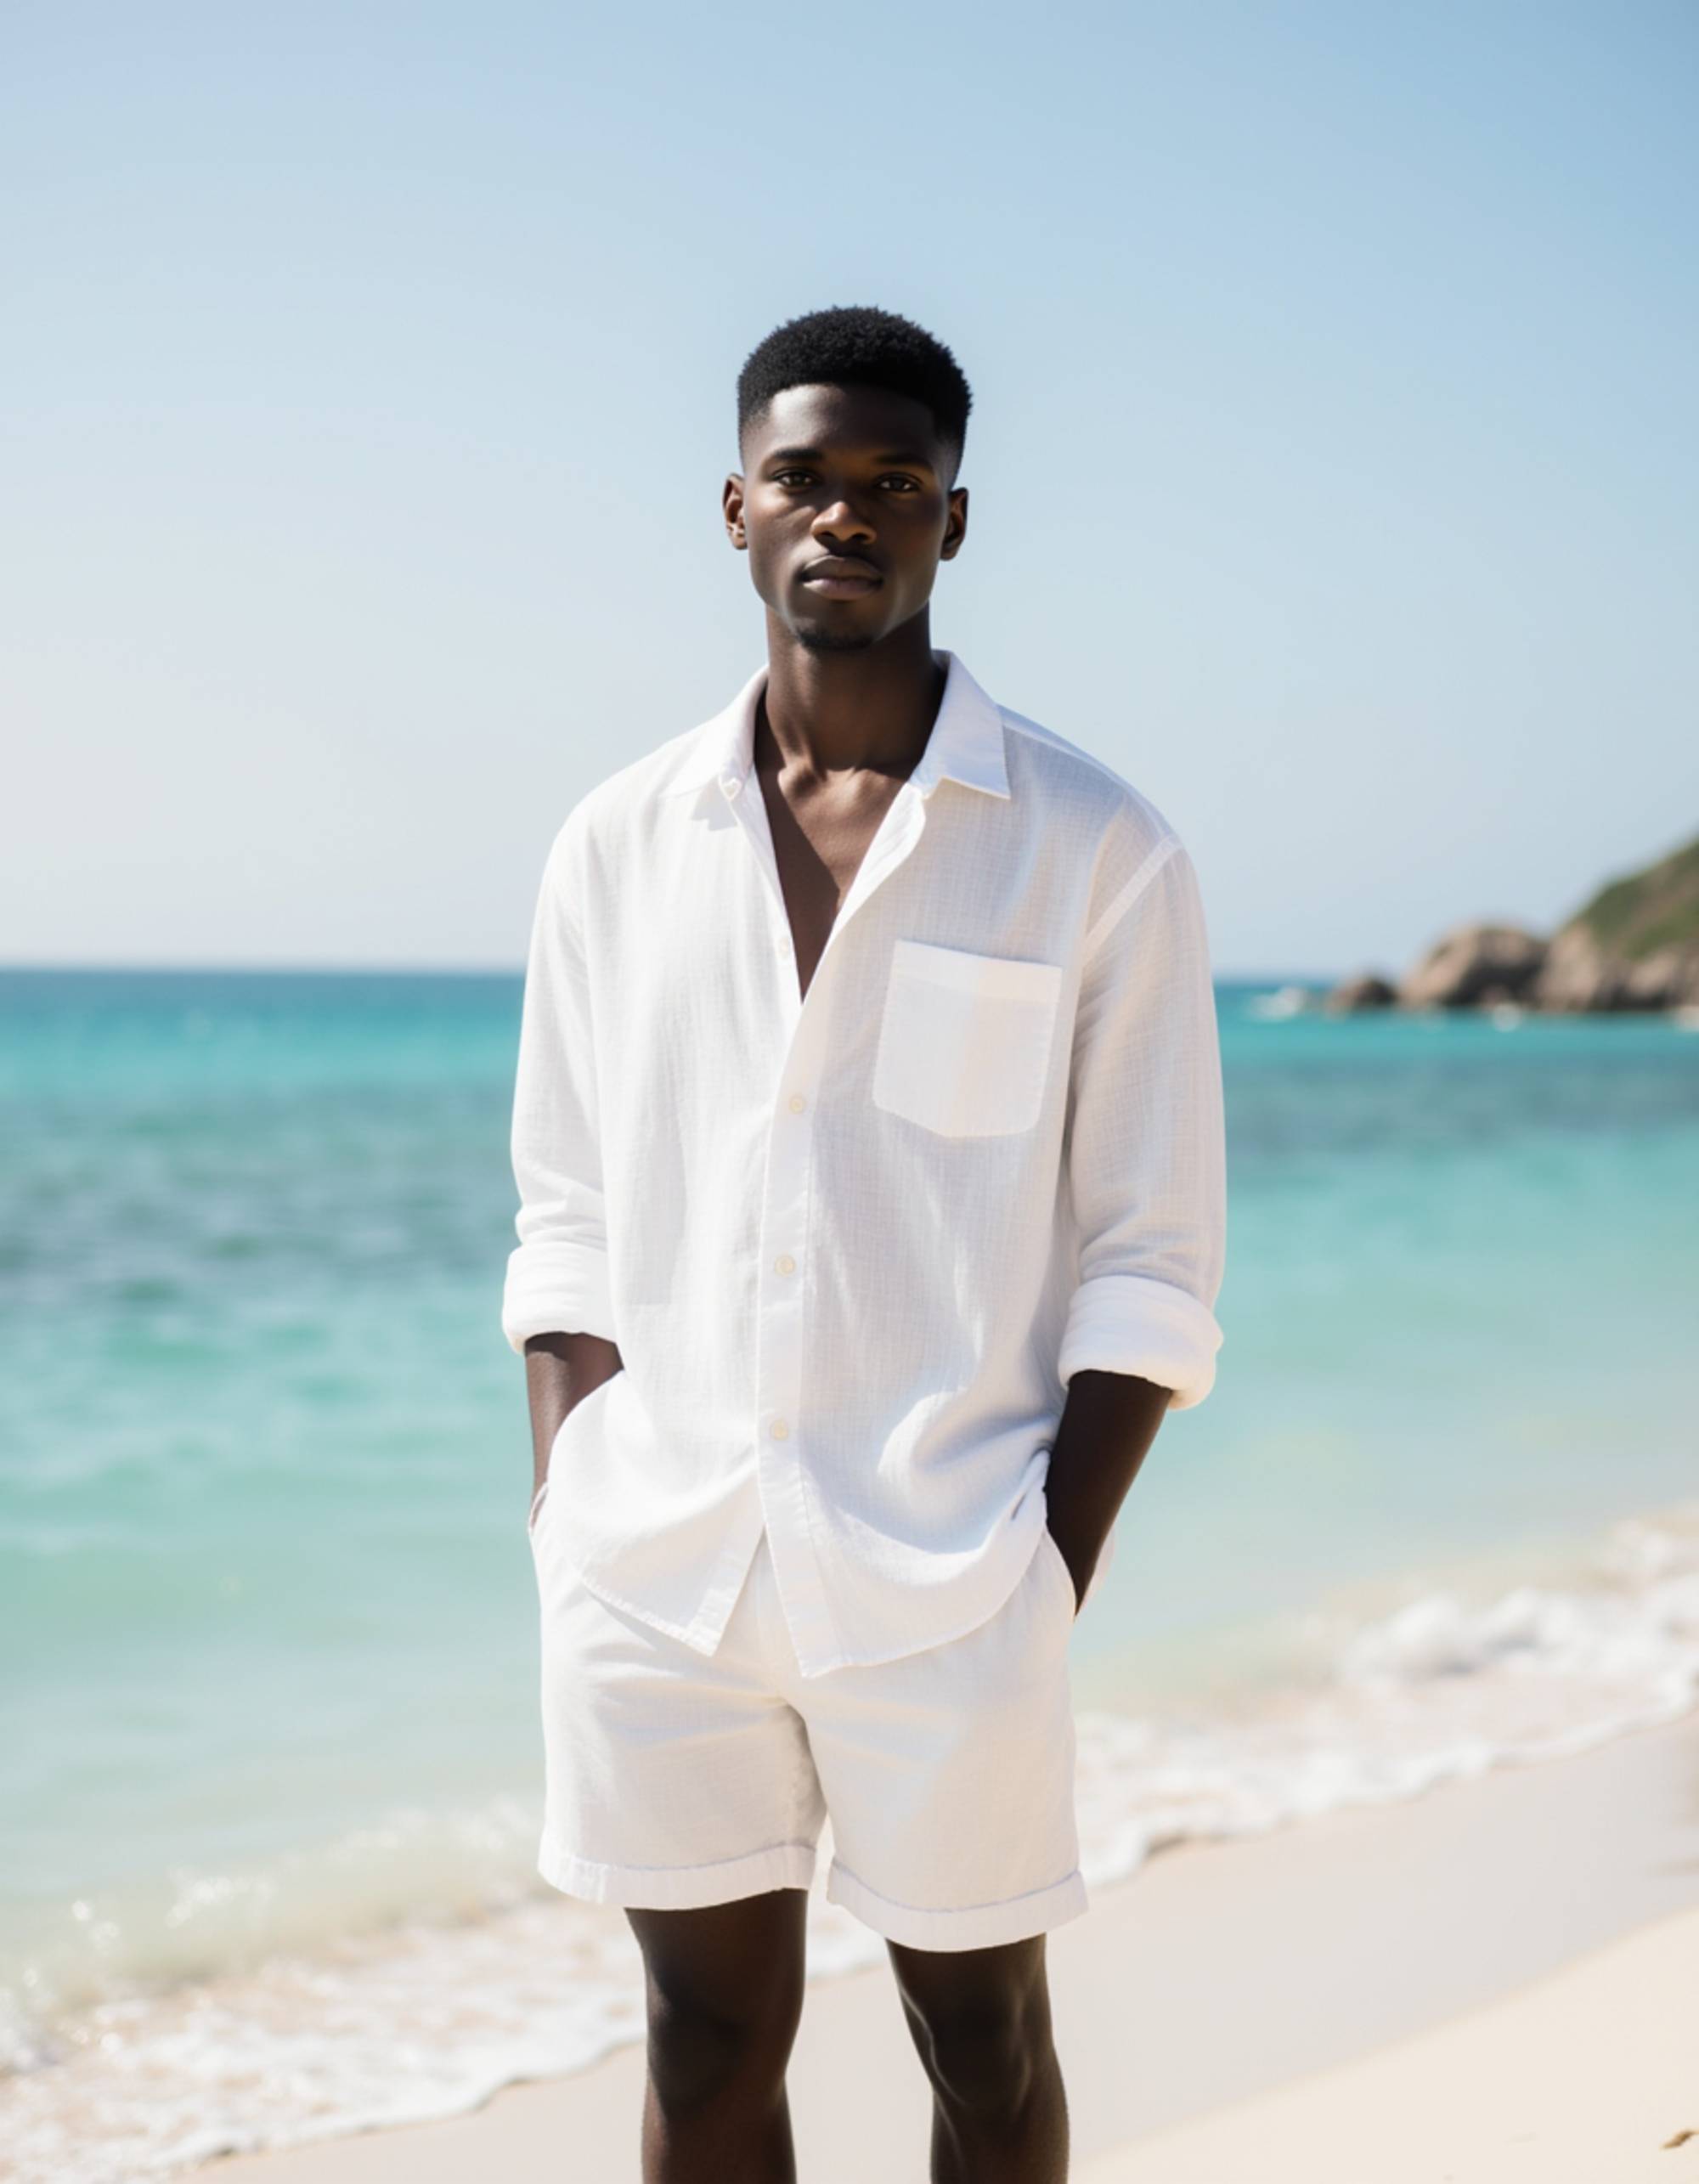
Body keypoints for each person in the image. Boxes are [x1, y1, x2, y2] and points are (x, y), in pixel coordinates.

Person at [502, 302, 1228, 2184]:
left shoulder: (1095, 848)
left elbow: (1150, 1260)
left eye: (891, 482)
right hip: (657, 1570)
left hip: (952, 1567)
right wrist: (569, 1492)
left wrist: (1036, 1570)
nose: (846, 514)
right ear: (733, 504)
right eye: (806, 478)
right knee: (703, 2035)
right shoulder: (612, 846)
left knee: (982, 2042)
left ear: (953, 521)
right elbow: (567, 1219)